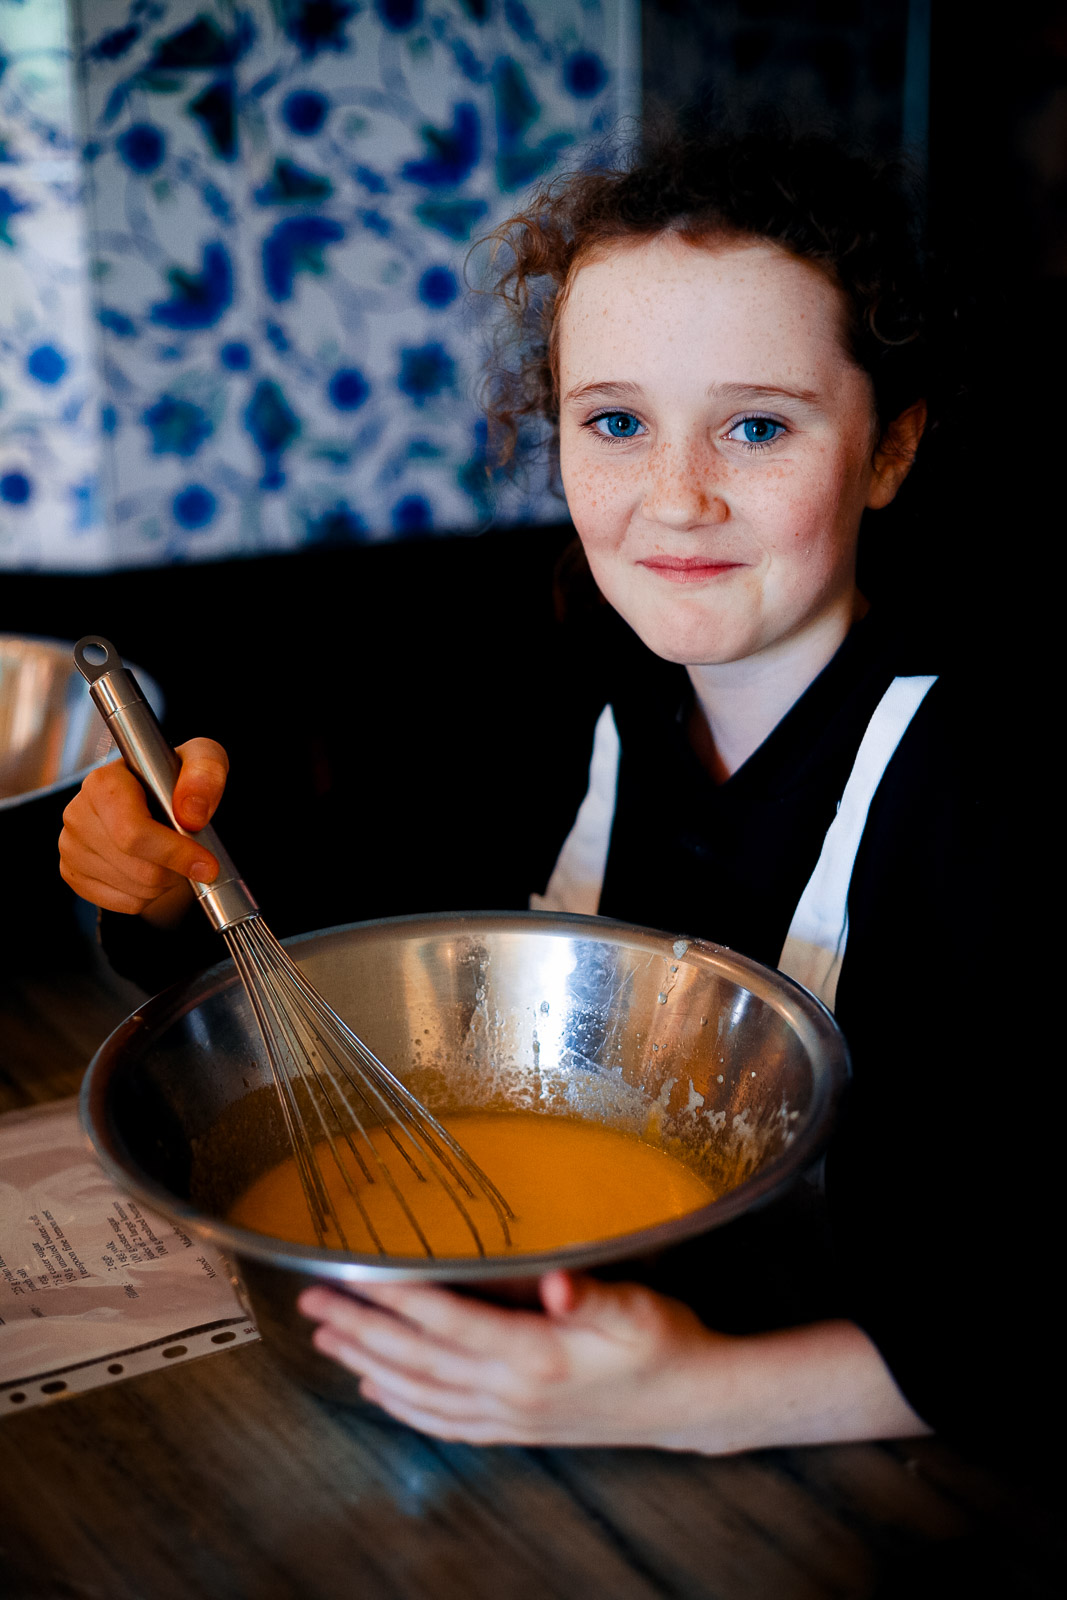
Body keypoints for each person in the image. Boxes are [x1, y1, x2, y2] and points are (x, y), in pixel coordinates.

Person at [59, 131, 1037, 1453]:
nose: (675, 499)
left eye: (757, 427)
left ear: (887, 452)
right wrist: (167, 874)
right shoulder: (543, 709)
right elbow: (324, 934)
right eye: (616, 423)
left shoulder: (991, 794)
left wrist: (698, 1400)